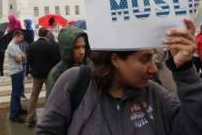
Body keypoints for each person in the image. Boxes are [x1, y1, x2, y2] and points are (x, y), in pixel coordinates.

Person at [37, 18, 202, 135]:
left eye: (153, 57)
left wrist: (185, 70)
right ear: (115, 59)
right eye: (144, 59)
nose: (153, 69)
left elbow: (192, 127)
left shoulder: (155, 95)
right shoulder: (75, 82)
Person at [25, 28, 58, 126]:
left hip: (37, 75)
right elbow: (55, 60)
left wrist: (33, 69)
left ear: (38, 34)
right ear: (46, 34)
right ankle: (49, 117)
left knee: (34, 96)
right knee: (51, 95)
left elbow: (29, 61)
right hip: (48, 74)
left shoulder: (31, 46)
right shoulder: (50, 46)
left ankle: (30, 117)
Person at [45, 26, 90, 98]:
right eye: (76, 48)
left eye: (83, 47)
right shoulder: (56, 74)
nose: (82, 52)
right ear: (67, 49)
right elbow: (51, 105)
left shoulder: (89, 65)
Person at [6, 30, 27, 123]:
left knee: (18, 92)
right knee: (15, 93)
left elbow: (23, 55)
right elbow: (19, 58)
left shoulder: (16, 45)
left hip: (19, 71)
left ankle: (18, 109)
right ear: (17, 36)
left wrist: (22, 56)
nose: (21, 40)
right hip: (15, 72)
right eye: (21, 38)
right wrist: (22, 56)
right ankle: (13, 114)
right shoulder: (11, 46)